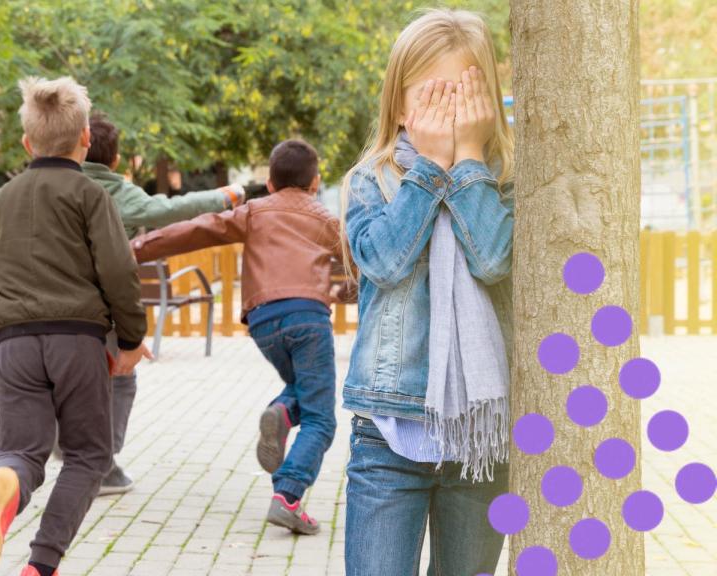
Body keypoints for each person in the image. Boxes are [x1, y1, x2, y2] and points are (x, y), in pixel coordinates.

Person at [339, 9, 514, 575]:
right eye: (432, 96)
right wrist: (431, 166)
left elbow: (493, 259)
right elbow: (385, 261)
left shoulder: (501, 180)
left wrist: (466, 162)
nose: (446, 111)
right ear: (398, 101)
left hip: (478, 441)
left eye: (460, 95)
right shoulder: (375, 179)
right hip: (388, 437)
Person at [0, 76, 151, 576]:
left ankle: (7, 482)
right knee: (89, 456)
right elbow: (117, 270)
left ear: (27, 142)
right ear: (86, 138)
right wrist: (131, 337)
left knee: (22, 452)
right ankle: (41, 564)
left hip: (14, 345)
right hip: (77, 341)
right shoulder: (91, 195)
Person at [131, 139, 340, 535]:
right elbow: (362, 266)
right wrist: (342, 292)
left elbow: (197, 229)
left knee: (301, 389)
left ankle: (281, 411)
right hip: (309, 319)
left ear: (270, 183)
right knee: (321, 417)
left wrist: (135, 248)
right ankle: (288, 496)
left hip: (263, 322)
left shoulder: (255, 211)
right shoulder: (327, 220)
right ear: (315, 182)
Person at [78, 113, 244, 496]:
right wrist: (223, 198)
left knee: (71, 376)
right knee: (121, 378)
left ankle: (74, 444)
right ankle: (100, 461)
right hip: (100, 308)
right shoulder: (112, 192)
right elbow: (166, 210)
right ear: (115, 159)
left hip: (44, 304)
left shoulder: (51, 183)